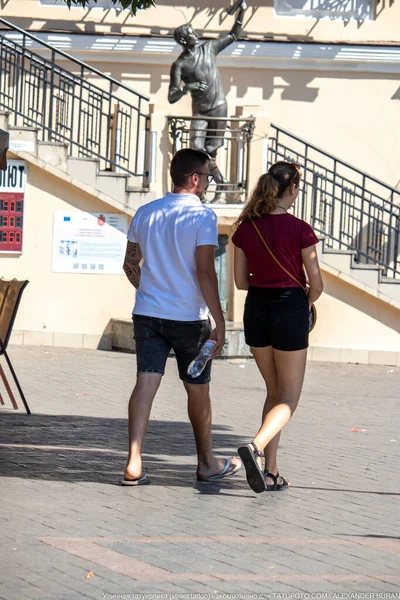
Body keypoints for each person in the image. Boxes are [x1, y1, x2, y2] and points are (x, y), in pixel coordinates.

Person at [120, 148, 241, 486]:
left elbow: (130, 264)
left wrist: (150, 290)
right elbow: (205, 272)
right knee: (197, 389)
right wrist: (219, 320)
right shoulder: (202, 217)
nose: (206, 184)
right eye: (204, 178)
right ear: (193, 178)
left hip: (148, 313)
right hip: (189, 318)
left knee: (146, 382)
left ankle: (133, 461)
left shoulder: (145, 212)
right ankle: (206, 463)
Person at [232, 162, 323, 493]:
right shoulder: (301, 229)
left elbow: (241, 282)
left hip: (255, 308)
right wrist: (307, 304)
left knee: (274, 391)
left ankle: (270, 472)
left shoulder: (245, 228)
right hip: (289, 309)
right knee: (289, 397)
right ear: (293, 189)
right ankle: (255, 448)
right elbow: (317, 284)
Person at [168, 2, 247, 199]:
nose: (196, 35)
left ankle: (209, 188)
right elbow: (172, 96)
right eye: (191, 33)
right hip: (200, 110)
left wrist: (242, 12)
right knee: (197, 146)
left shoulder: (209, 48)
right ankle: (219, 183)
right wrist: (188, 88)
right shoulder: (180, 65)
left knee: (212, 149)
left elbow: (233, 35)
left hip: (219, 106)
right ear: (185, 40)